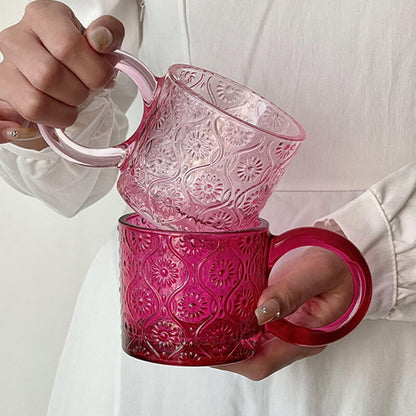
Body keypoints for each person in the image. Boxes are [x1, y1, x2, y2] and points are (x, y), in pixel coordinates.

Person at [0, 1, 415, 415]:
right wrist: (44, 97)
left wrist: (378, 246)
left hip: (389, 348)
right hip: (165, 314)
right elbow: (67, 174)